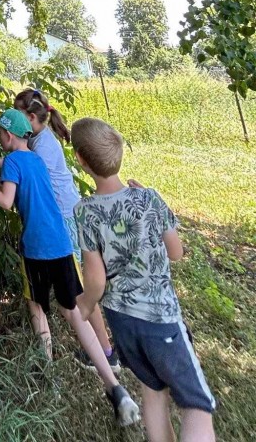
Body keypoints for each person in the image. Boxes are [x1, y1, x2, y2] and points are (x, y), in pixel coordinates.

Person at [0, 109, 140, 427]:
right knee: (74, 312)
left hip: (37, 248)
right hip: (62, 245)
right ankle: (115, 387)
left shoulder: (12, 162)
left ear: (7, 135)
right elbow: (21, 192)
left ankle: (48, 375)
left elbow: (7, 201)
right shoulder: (35, 159)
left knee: (36, 305)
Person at [71, 117, 216, 442]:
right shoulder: (149, 198)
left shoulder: (85, 211)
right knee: (197, 406)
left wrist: (85, 305)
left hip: (122, 324)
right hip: (160, 322)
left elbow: (95, 278)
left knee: (153, 392)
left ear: (81, 159)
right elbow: (176, 252)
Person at [11, 88, 119, 371]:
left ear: (30, 118)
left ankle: (106, 352)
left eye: (17, 114)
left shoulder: (42, 145)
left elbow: (31, 175)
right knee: (76, 290)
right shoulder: (39, 140)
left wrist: (3, 170)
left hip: (62, 221)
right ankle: (104, 350)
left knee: (78, 292)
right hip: (63, 216)